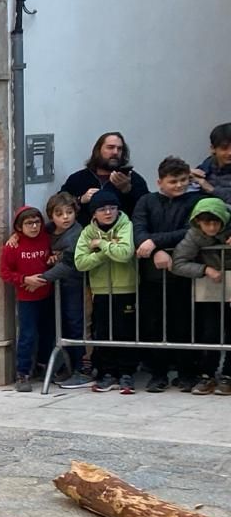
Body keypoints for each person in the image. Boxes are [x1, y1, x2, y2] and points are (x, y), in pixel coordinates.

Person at [131, 156, 204, 392]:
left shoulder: (194, 201)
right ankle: (157, 374)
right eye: (173, 181)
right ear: (160, 181)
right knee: (152, 325)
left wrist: (155, 243)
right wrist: (156, 250)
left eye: (183, 180)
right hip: (151, 277)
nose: (179, 185)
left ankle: (186, 373)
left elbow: (189, 231)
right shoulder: (146, 201)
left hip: (183, 275)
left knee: (183, 325)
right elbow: (139, 229)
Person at [74, 187, 138, 392]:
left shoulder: (125, 225)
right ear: (94, 213)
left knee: (125, 330)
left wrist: (100, 244)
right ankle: (107, 372)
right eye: (102, 209)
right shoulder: (87, 232)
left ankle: (126, 372)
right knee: (102, 331)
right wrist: (105, 251)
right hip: (100, 289)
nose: (108, 212)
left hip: (125, 287)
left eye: (112, 208)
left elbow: (125, 253)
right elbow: (80, 262)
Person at [170, 197, 229, 395]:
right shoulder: (194, 234)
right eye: (206, 223)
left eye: (216, 222)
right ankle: (207, 374)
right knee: (210, 331)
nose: (211, 227)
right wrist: (204, 269)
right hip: (213, 287)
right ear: (198, 222)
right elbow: (178, 263)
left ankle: (228, 375)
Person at [0, 206, 55, 392]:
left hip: (47, 293)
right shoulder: (12, 246)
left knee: (48, 332)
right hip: (26, 298)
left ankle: (43, 365)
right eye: (28, 223)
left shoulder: (47, 238)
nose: (34, 227)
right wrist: (24, 279)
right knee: (27, 335)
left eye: (37, 222)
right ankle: (22, 373)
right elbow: (5, 273)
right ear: (19, 226)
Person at [61, 132, 149, 224]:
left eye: (119, 149)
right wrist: (80, 199)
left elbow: (147, 208)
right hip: (85, 234)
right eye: (110, 147)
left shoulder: (132, 178)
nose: (115, 152)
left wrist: (128, 190)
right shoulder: (78, 178)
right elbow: (59, 204)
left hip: (123, 235)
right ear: (98, 151)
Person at [191, 123, 231, 200]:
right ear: (213, 149)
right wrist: (186, 174)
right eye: (224, 148)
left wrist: (211, 189)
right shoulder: (207, 165)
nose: (230, 153)